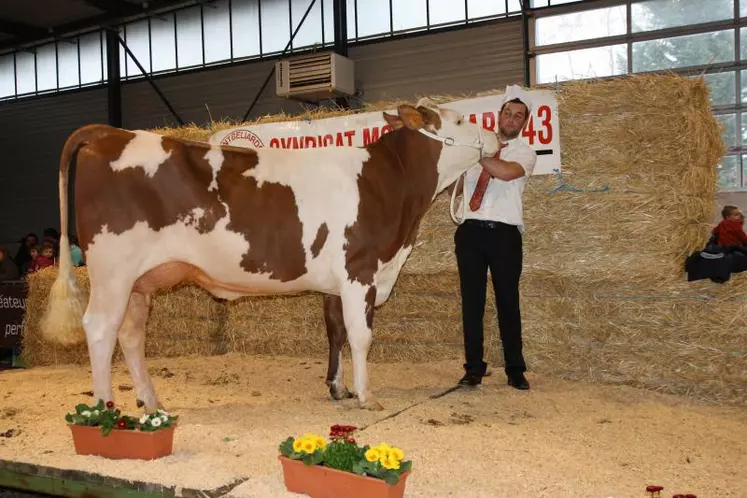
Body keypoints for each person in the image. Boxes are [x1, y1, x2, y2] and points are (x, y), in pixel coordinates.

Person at [453, 85, 537, 390]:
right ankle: (473, 368)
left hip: (505, 235)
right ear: (498, 116)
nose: (511, 119)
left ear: (524, 123)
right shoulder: (477, 150)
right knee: (472, 303)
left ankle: (515, 368)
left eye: (518, 116)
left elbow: (504, 172)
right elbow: (456, 189)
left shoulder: (525, 153)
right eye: (507, 113)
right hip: (470, 232)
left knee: (507, 301)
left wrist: (474, 153)